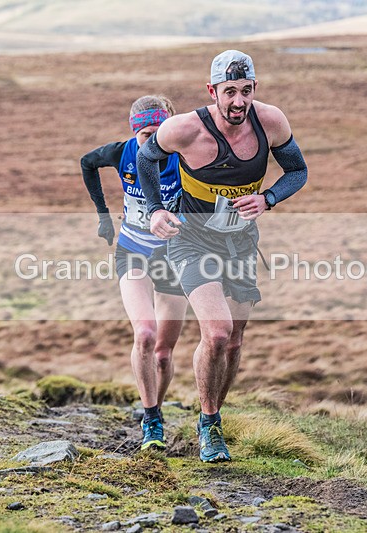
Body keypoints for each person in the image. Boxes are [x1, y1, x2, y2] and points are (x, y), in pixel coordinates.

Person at [137, 50, 308, 462]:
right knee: (216, 332)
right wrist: (158, 209)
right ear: (212, 91)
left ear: (254, 90)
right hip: (191, 239)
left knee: (232, 343)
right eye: (229, 91)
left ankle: (211, 414)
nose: (238, 101)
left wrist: (267, 198)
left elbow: (297, 171)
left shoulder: (271, 121)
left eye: (245, 91)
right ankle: (210, 426)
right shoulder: (184, 129)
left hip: (241, 243)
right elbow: (145, 158)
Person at [81, 95, 188, 451]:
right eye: (145, 135)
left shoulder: (189, 152)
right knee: (144, 333)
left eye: (159, 133)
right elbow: (87, 163)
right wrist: (102, 215)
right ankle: (152, 419)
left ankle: (155, 403)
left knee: (162, 353)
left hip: (176, 256)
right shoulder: (121, 152)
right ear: (134, 132)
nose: (153, 141)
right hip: (133, 251)